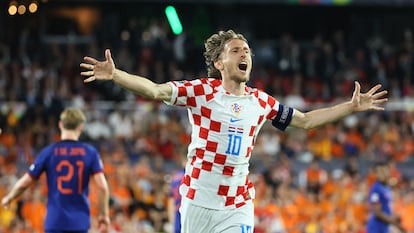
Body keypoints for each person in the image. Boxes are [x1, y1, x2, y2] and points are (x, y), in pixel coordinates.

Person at [80, 29, 388, 233]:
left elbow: (305, 122)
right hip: (199, 200)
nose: (245, 55)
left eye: (248, 51)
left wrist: (350, 107)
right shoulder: (202, 91)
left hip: (237, 203)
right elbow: (156, 90)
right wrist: (116, 74)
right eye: (237, 50)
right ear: (219, 62)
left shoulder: (261, 101)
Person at [1, 107, 110, 233]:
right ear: (80, 127)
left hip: (55, 220)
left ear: (60, 124)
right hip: (79, 221)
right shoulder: (90, 152)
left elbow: (25, 182)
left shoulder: (49, 152)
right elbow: (102, 187)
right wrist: (104, 215)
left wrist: (10, 197)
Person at [366, 161, 406, 233]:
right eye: (379, 172)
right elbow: (377, 212)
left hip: (385, 226)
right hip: (376, 227)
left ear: (388, 171)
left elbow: (388, 207)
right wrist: (395, 224)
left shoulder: (387, 188)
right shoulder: (375, 189)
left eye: (384, 171)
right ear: (376, 174)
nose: (382, 174)